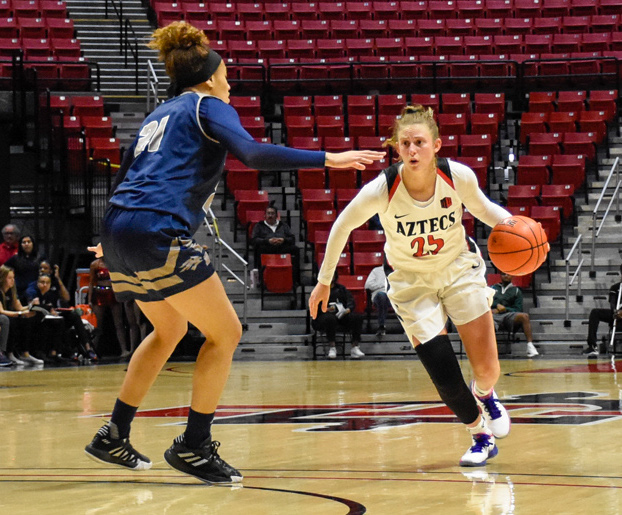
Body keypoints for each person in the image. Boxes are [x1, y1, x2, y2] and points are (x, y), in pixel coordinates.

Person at [84, 21, 384, 485]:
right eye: (225, 74)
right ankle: (195, 445)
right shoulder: (207, 104)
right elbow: (252, 153)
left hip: (119, 227)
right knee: (226, 333)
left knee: (168, 329)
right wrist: (328, 158)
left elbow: (127, 172)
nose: (229, 81)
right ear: (207, 78)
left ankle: (115, 432)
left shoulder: (155, 115)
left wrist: (110, 239)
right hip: (155, 227)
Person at [309, 104, 513, 467]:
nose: (412, 150)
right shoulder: (384, 188)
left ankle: (485, 393)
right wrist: (324, 282)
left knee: (487, 369)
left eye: (419, 142)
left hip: (457, 271)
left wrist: (517, 225)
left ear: (436, 145)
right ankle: (479, 434)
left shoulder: (457, 176)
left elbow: (483, 210)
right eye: (405, 143)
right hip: (411, 284)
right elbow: (341, 226)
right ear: (397, 148)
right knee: (443, 373)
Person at [26, 273, 98, 363]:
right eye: (42, 282)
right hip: (38, 321)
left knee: (74, 315)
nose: (45, 285)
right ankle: (55, 352)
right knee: (59, 322)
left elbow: (63, 301)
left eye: (47, 283)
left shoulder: (51, 294)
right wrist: (48, 309)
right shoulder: (33, 292)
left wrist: (54, 311)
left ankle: (88, 348)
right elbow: (33, 308)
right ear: (37, 283)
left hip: (52, 319)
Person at [311, 273, 365, 359]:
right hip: (322, 317)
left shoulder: (341, 289)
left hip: (340, 315)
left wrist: (347, 310)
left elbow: (350, 301)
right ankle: (332, 347)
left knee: (357, 317)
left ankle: (355, 347)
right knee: (330, 319)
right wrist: (326, 309)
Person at [88, 256, 131, 358]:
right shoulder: (95, 264)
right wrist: (89, 300)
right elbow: (91, 282)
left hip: (113, 293)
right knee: (97, 325)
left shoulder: (115, 262)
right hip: (99, 293)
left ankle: (124, 349)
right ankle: (93, 351)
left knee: (119, 323)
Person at [0, 265, 43, 365]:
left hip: (7, 316)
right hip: (3, 316)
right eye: (9, 278)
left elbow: (19, 307)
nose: (12, 280)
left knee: (26, 320)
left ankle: (25, 353)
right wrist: (19, 314)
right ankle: (8, 353)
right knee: (11, 321)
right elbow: (1, 311)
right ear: (2, 278)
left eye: (13, 277)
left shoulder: (11, 291)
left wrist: (31, 305)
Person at [491, 273, 539, 358]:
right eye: (503, 274)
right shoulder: (493, 288)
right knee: (486, 319)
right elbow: (486, 301)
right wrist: (496, 306)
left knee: (524, 316)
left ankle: (530, 345)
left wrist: (505, 309)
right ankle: (488, 348)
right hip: (494, 315)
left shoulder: (516, 290)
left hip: (508, 315)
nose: (506, 276)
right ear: (500, 276)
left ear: (512, 276)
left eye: (508, 274)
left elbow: (518, 309)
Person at [251, 205, 300, 281]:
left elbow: (292, 238)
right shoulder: (259, 225)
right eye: (268, 213)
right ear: (265, 215)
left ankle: (295, 279)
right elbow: (254, 239)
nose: (270, 216)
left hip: (282, 248)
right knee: (258, 249)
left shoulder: (283, 225)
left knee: (295, 249)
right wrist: (267, 241)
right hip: (267, 248)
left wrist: (283, 240)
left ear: (276, 215)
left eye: (272, 213)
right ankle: (261, 279)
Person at [583, 264, 622, 358]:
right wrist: (616, 312)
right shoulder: (615, 288)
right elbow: (612, 304)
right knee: (595, 312)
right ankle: (592, 346)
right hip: (617, 316)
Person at [5, 235, 43, 301]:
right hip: (18, 284)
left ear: (33, 243)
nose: (26, 244)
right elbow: (3, 268)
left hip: (34, 284)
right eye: (24, 242)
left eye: (28, 242)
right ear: (20, 245)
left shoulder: (40, 257)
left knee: (30, 292)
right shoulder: (15, 258)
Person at [365, 265, 390, 336]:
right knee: (382, 296)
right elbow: (368, 285)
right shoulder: (376, 270)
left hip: (394, 296)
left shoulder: (398, 270)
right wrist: (383, 285)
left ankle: (409, 329)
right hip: (379, 295)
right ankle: (381, 326)